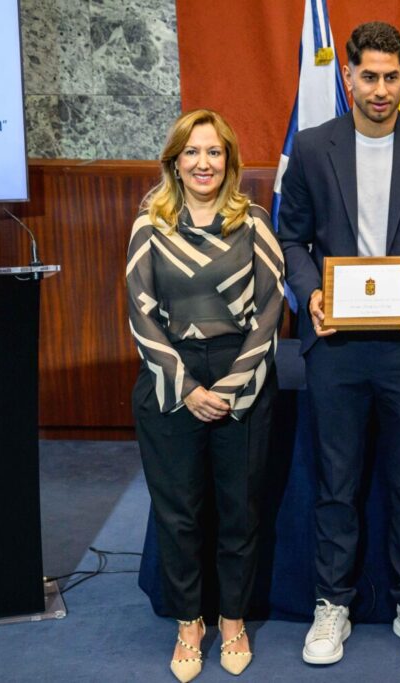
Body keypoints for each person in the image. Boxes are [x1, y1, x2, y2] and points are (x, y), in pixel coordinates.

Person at [277, 21, 400, 664]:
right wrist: (313, 296)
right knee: (337, 480)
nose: (381, 89)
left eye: (392, 77)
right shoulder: (310, 148)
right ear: (348, 77)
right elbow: (291, 240)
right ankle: (332, 605)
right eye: (369, 76)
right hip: (334, 343)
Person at [126, 109, 285, 682]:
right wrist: (188, 389)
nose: (202, 163)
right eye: (191, 152)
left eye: (213, 152)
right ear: (175, 160)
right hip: (171, 384)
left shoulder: (255, 224)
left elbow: (271, 312)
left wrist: (232, 386)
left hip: (242, 374)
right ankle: (189, 622)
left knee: (240, 512)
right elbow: (140, 314)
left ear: (229, 161)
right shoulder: (150, 226)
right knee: (180, 514)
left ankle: (234, 620)